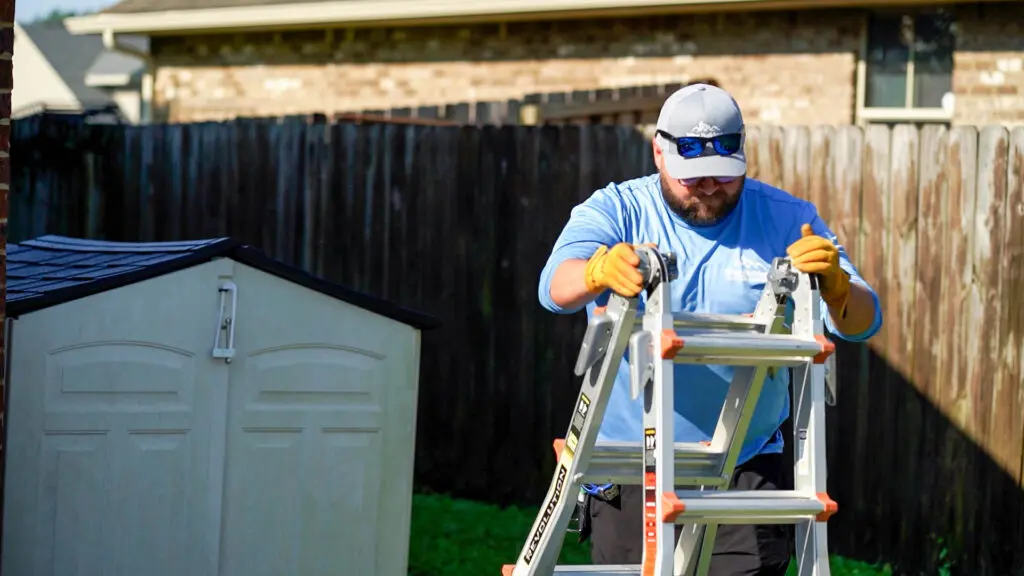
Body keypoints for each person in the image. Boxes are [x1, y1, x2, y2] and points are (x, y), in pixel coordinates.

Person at [536, 83, 882, 575]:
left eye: (723, 174)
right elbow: (553, 287)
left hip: (745, 456)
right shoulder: (618, 208)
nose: (708, 187)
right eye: (691, 175)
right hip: (632, 461)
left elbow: (863, 324)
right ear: (659, 152)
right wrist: (595, 271)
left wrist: (838, 286)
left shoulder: (788, 219)